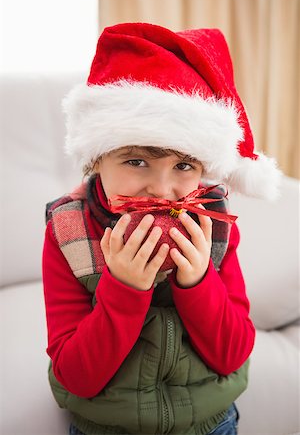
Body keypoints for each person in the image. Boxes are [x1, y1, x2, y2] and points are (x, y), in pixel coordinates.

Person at [42, 23, 280, 435]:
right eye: (136, 162)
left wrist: (198, 280)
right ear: (96, 159)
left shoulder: (213, 229)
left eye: (183, 166)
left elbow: (232, 354)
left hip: (209, 423)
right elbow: (76, 377)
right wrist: (124, 289)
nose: (162, 189)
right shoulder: (68, 232)